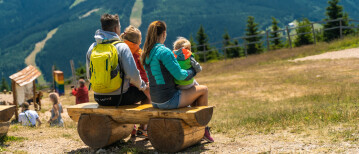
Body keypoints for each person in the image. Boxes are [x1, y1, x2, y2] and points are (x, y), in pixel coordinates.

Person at [141, 21, 214, 142]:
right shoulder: (164, 52)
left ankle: (195, 128)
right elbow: (180, 76)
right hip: (168, 100)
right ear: (164, 33)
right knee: (203, 90)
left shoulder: (146, 53)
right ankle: (202, 129)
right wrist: (193, 71)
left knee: (194, 91)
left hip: (155, 100)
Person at [86, 13, 148, 106]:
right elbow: (133, 75)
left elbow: (89, 76)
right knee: (148, 92)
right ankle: (143, 118)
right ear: (116, 28)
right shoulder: (121, 46)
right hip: (120, 97)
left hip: (99, 98)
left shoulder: (92, 47)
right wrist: (144, 87)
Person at [120, 25, 151, 137]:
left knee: (133, 102)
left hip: (124, 87)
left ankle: (132, 127)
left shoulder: (121, 49)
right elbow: (144, 68)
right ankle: (143, 128)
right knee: (148, 96)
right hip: (137, 85)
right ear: (138, 41)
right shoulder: (138, 52)